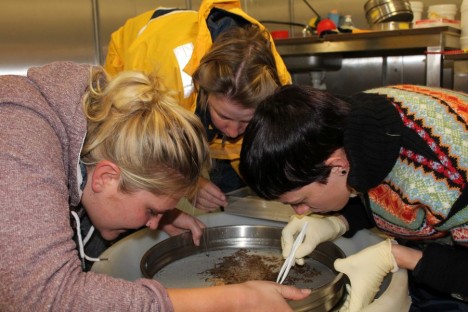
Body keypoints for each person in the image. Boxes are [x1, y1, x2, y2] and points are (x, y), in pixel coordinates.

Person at [0, 61, 311, 311]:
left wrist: (163, 212)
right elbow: (46, 297)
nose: (152, 224)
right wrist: (237, 299)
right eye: (151, 211)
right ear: (107, 177)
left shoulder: (86, 140)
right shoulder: (17, 140)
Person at [239, 84, 468, 311]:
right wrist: (339, 221)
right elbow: (376, 185)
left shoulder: (451, 177)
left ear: (337, 166)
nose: (299, 212)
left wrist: (400, 256)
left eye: (300, 201)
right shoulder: (350, 125)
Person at [104, 0, 291, 211]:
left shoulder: (274, 82)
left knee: (235, 193)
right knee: (145, 196)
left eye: (246, 121)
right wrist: (191, 184)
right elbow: (144, 147)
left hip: (193, 92)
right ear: (205, 89)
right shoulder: (167, 78)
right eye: (225, 117)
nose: (233, 131)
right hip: (136, 57)